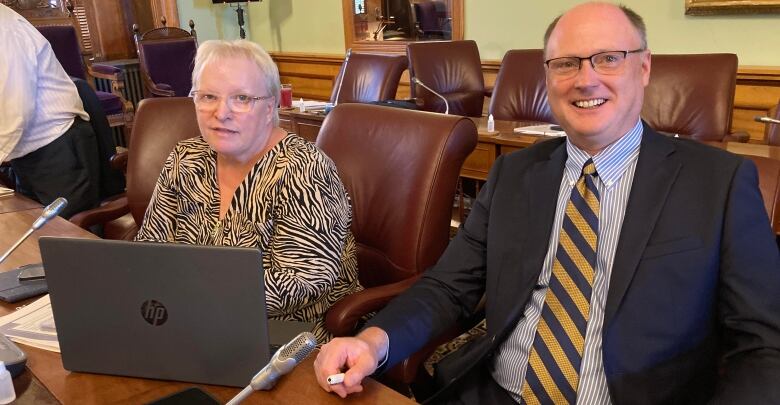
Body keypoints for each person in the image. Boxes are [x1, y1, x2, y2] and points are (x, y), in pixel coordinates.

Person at [314, 2, 780, 404]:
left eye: (609, 59)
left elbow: (763, 344)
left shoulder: (719, 183)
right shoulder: (515, 175)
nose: (586, 79)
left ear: (644, 68)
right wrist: (374, 341)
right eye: (566, 64)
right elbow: (448, 287)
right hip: (494, 393)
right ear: (548, 76)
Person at [134, 40, 361, 344]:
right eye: (208, 96)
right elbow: (151, 248)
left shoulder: (305, 169)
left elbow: (304, 281)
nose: (221, 112)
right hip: (191, 320)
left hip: (289, 333)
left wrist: (192, 295)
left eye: (241, 98)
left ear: (269, 108)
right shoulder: (185, 158)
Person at [0, 4, 100, 218]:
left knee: (71, 241)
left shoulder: (5, 29)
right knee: (33, 238)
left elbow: (16, 108)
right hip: (26, 152)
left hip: (57, 148)